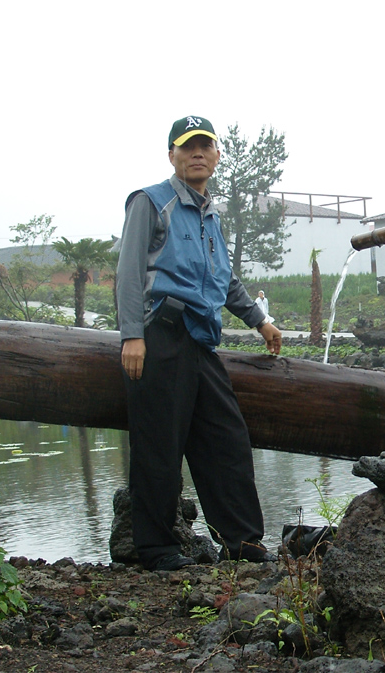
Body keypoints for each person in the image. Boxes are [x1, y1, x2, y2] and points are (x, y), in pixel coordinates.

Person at [115, 115, 283, 571]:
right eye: (187, 146)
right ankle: (156, 548)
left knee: (226, 440)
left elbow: (224, 280)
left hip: (200, 339)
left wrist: (260, 321)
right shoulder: (151, 202)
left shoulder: (210, 215)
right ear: (171, 154)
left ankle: (243, 543)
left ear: (216, 156)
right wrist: (132, 336)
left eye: (205, 146)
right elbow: (129, 273)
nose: (197, 154)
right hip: (159, 336)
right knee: (159, 445)